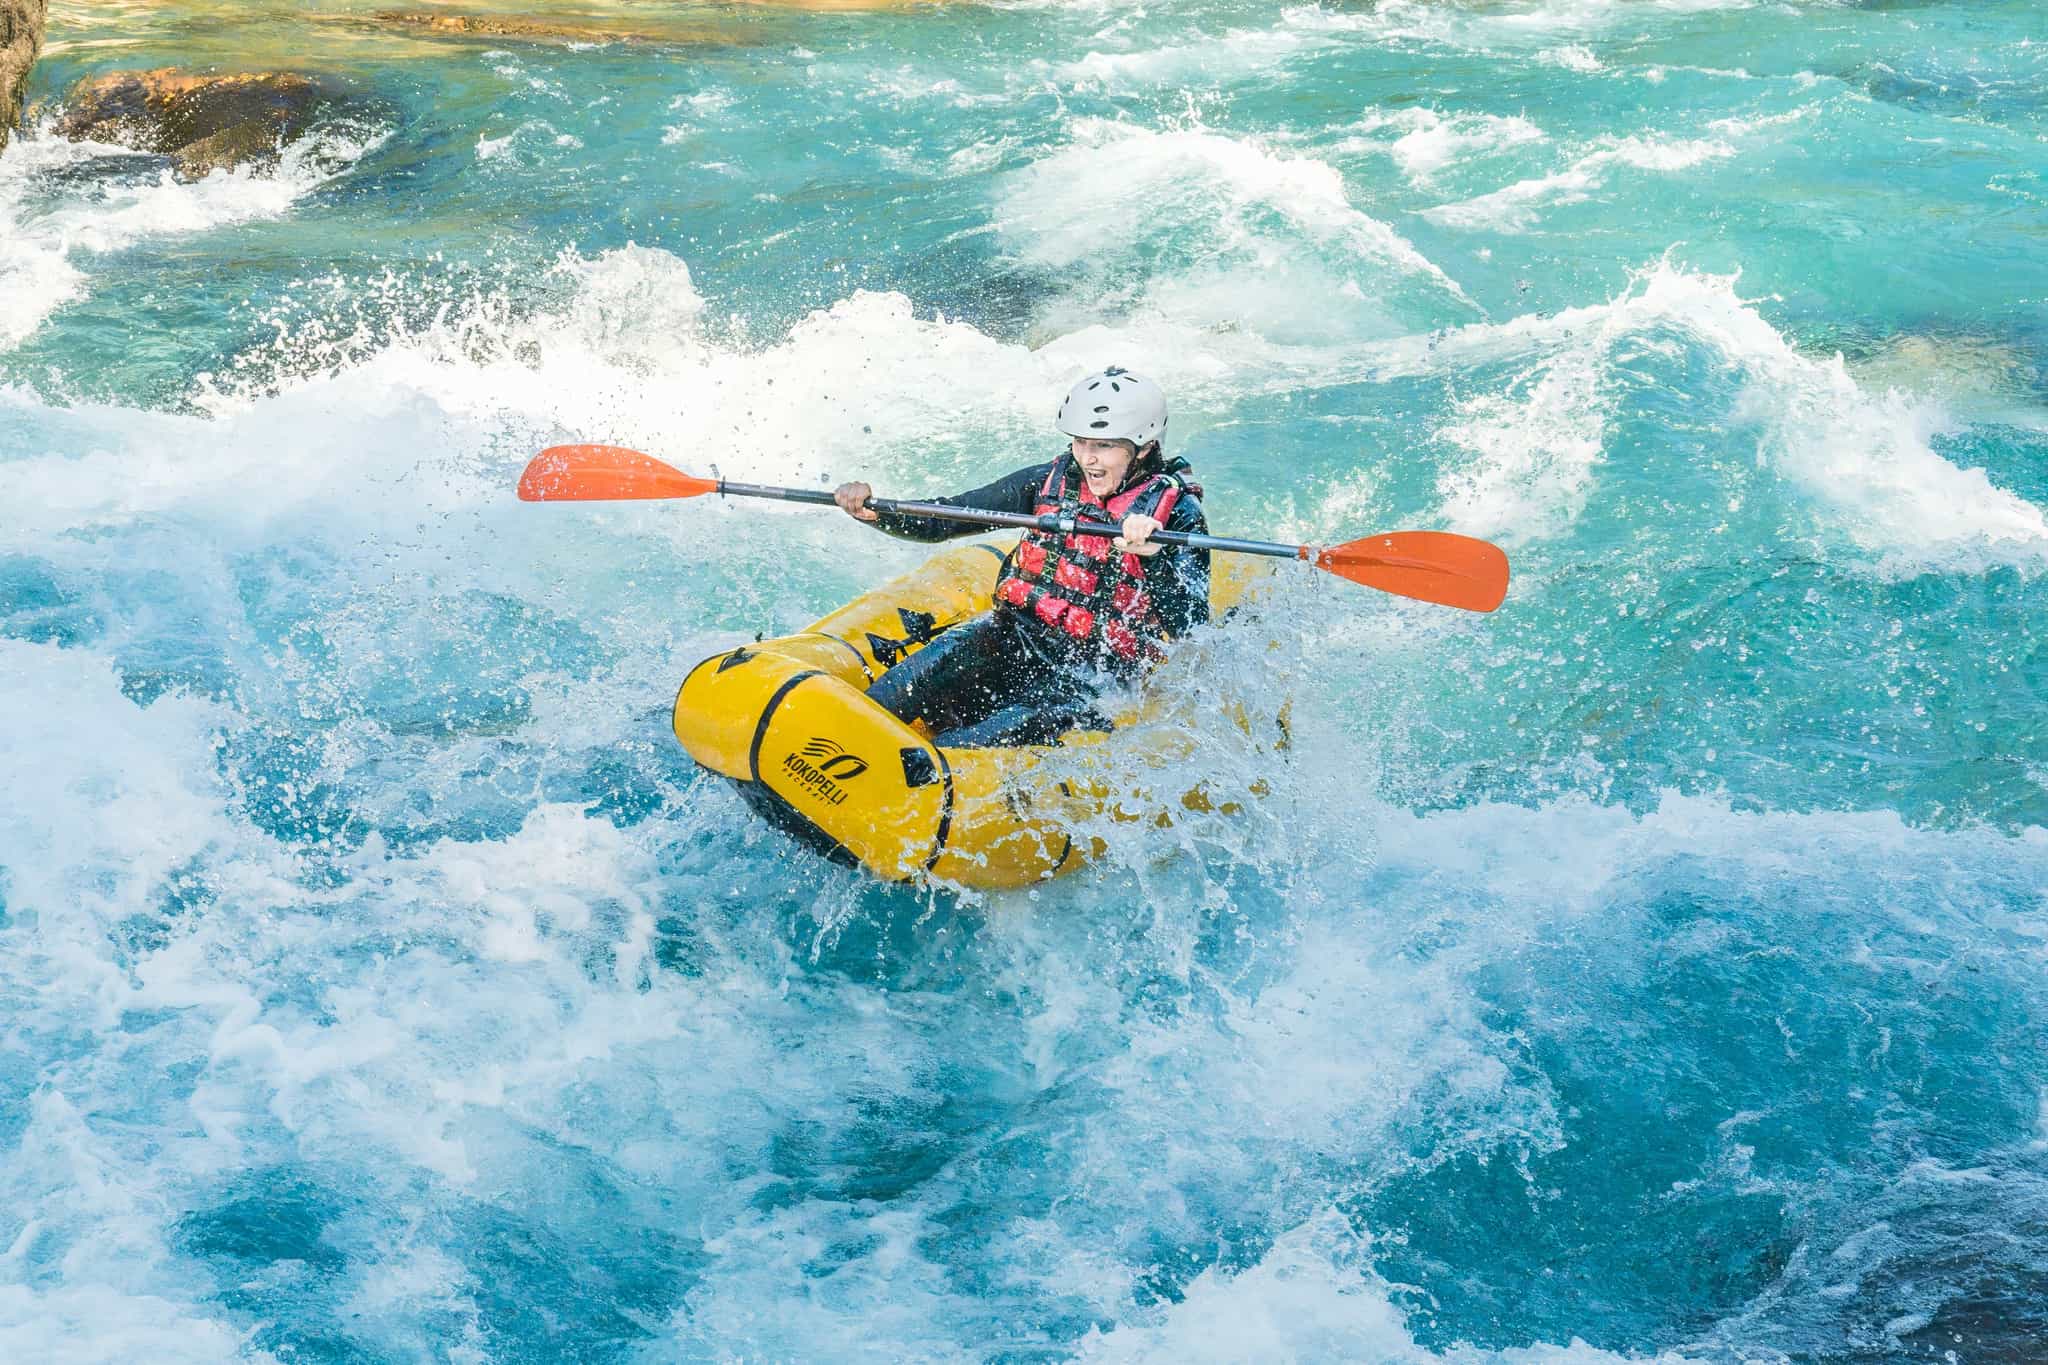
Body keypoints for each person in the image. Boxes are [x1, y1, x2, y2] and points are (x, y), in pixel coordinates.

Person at [833, 366, 1210, 748]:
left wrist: (1153, 556)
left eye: (1104, 446)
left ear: (1143, 447)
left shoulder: (1178, 513)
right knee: (906, 683)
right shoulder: (1050, 478)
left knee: (970, 743)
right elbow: (949, 517)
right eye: (1081, 442)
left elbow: (1190, 624)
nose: (1089, 459)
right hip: (1016, 634)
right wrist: (876, 511)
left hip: (1093, 674)